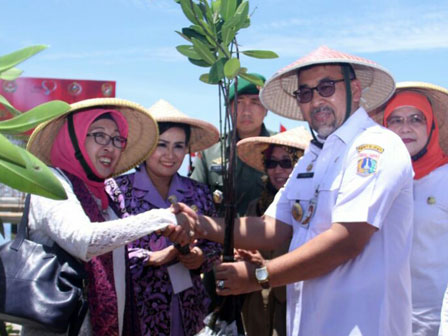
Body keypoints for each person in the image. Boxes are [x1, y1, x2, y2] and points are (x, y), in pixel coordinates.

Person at [176, 46, 415, 335]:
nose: (316, 100)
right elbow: (272, 227)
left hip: (362, 324)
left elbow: (347, 240)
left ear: (355, 88)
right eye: (305, 93)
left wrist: (260, 277)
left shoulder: (375, 148)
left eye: (326, 87)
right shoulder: (312, 159)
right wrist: (201, 225)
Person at [24, 98, 193, 336]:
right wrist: (160, 218)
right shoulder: (51, 185)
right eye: (99, 135)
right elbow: (84, 240)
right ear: (73, 138)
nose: (110, 147)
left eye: (117, 139)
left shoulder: (105, 200)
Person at [115, 99, 222, 336]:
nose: (170, 155)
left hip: (188, 311)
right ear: (145, 147)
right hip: (135, 311)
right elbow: (105, 248)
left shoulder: (199, 192)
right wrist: (153, 257)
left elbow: (215, 244)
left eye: (178, 146)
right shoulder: (118, 191)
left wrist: (200, 256)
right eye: (161, 145)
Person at [378, 82, 448, 336]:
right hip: (382, 320)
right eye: (395, 120)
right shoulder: (376, 182)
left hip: (436, 323)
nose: (405, 128)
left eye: (415, 119)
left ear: (431, 126)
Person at [236, 127, 311, 336]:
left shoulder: (316, 209)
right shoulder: (255, 207)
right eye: (271, 163)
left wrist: (265, 266)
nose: (278, 170)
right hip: (257, 310)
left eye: (287, 162)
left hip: (294, 309)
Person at [190, 73, 274, 216]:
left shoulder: (282, 147)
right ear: (229, 109)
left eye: (255, 102)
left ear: (266, 109)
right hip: (219, 235)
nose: (246, 111)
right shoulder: (211, 151)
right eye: (239, 102)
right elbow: (193, 197)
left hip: (271, 235)